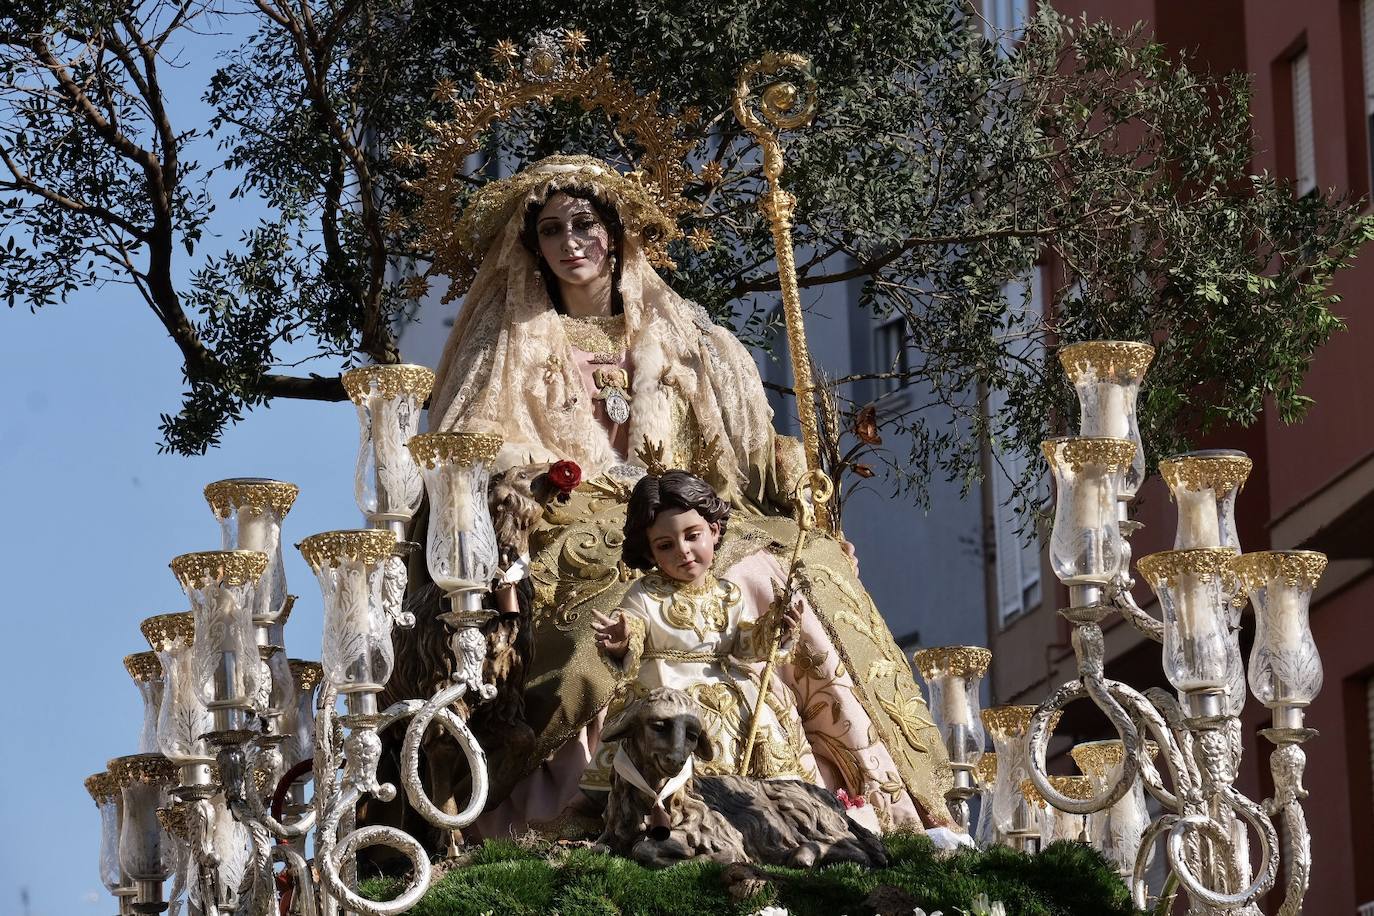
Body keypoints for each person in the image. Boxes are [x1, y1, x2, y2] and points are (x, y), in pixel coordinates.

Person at [419, 155, 955, 838]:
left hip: (683, 512)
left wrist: (798, 496)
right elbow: (470, 449)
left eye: (584, 223)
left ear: (614, 233)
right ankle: (592, 813)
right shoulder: (509, 345)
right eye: (551, 230)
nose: (570, 242)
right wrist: (535, 481)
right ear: (533, 247)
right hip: (571, 527)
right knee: (600, 618)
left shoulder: (686, 341)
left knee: (790, 564)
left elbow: (742, 454)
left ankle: (865, 800)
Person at [590, 470, 817, 785]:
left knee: (761, 720)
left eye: (692, 536)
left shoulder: (728, 593)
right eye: (665, 545)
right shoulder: (644, 593)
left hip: (728, 691)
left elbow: (743, 644)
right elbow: (635, 628)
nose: (682, 551)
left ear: (713, 531)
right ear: (650, 552)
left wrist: (776, 630)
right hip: (667, 690)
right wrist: (622, 639)